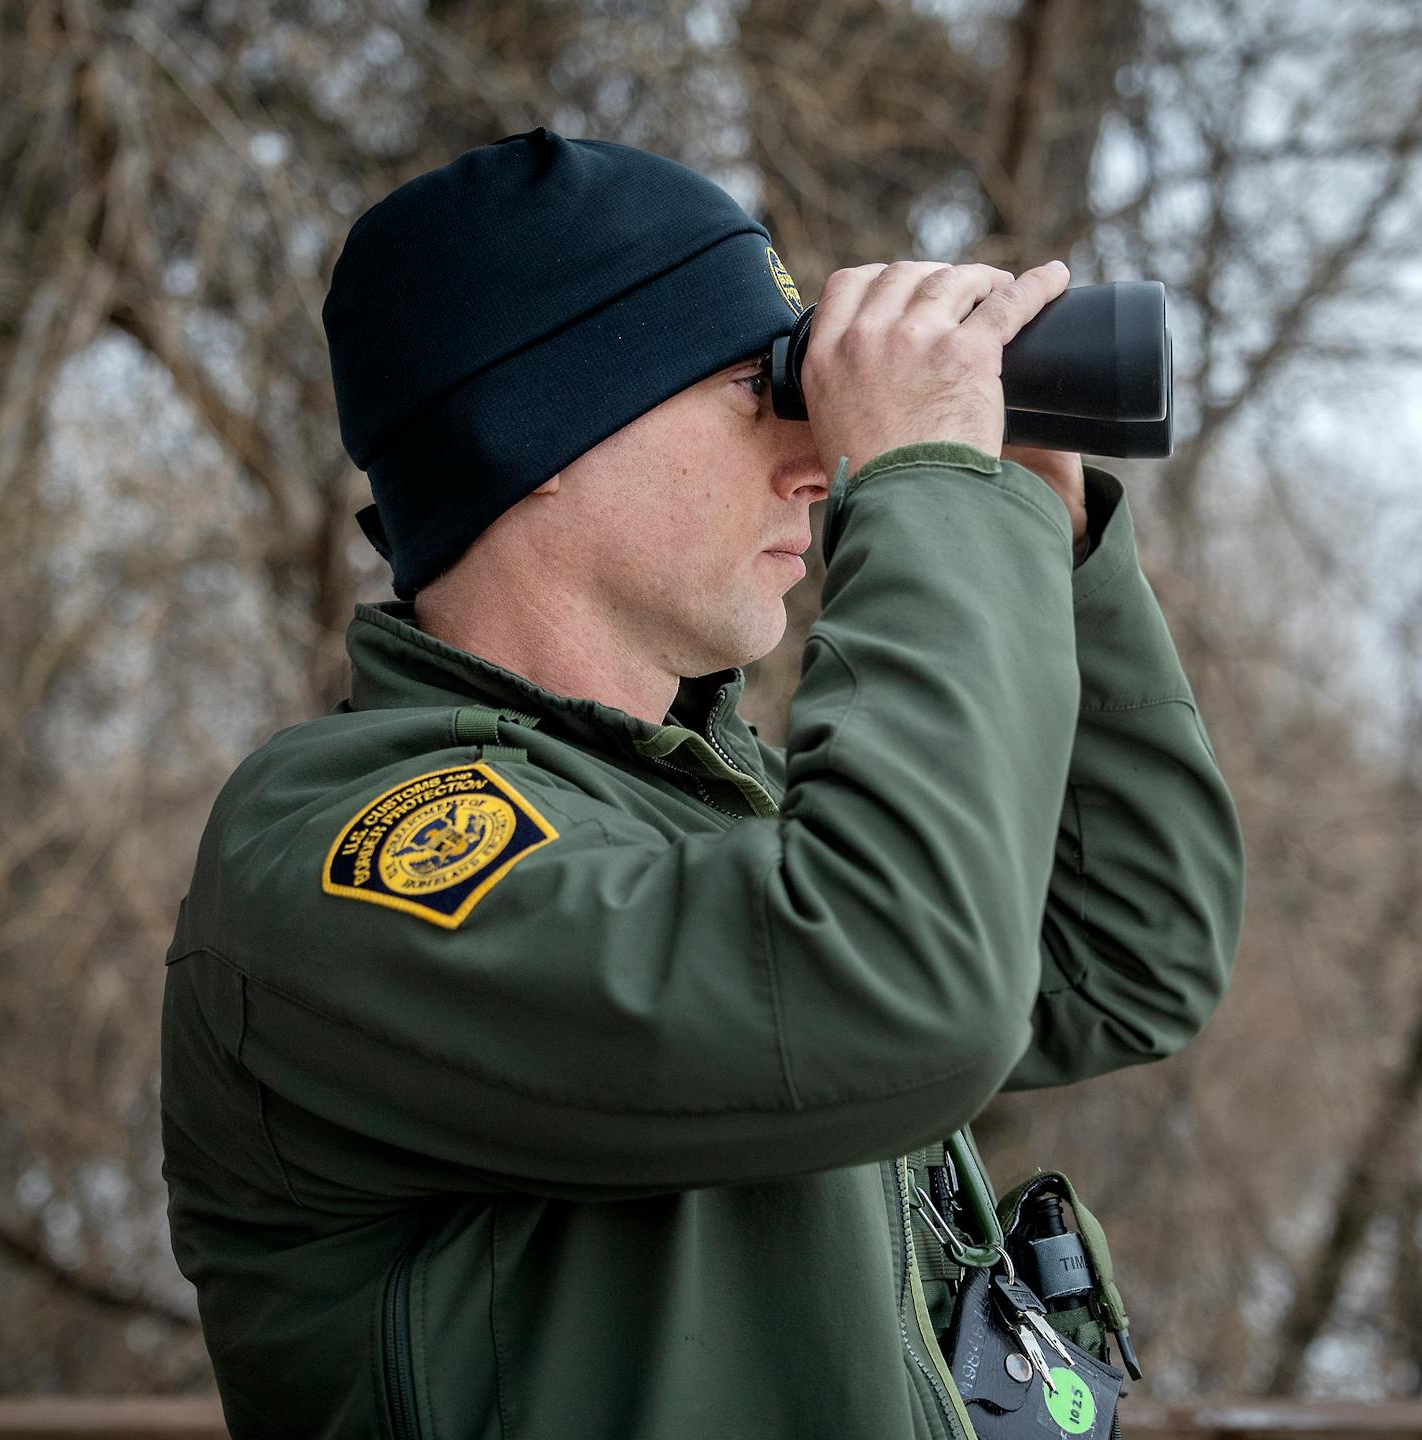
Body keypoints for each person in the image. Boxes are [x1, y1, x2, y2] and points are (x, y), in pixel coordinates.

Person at [159, 125, 1245, 1440]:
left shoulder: (714, 807)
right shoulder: (338, 865)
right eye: (756, 391)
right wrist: (932, 486)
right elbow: (902, 991)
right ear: (539, 431)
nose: (814, 461)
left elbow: (1130, 950)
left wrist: (1042, 527)